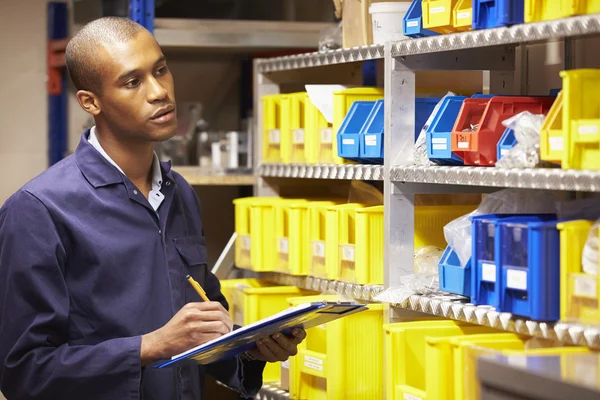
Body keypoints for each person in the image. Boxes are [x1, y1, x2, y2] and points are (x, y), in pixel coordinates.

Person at [0, 17, 305, 400]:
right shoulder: (38, 211)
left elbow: (200, 328)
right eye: (133, 82)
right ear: (90, 101)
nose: (159, 91)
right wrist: (149, 346)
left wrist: (252, 350)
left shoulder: (180, 194)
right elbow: (23, 372)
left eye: (161, 70)